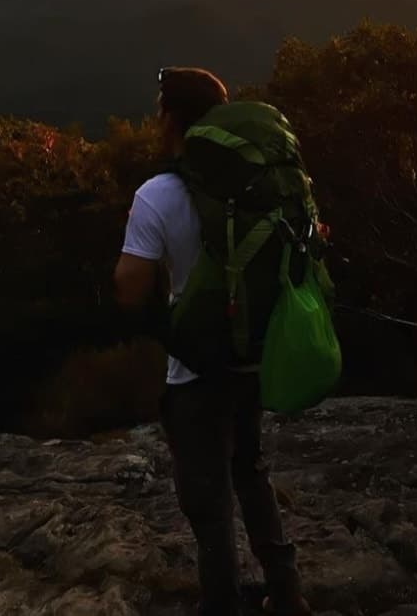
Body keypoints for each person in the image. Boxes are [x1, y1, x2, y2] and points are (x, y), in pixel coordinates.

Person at [114, 67, 311, 616]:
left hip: (196, 370)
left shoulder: (158, 193)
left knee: (207, 497)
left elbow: (129, 288)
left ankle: (220, 602)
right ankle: (286, 591)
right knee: (251, 470)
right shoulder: (259, 186)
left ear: (170, 118)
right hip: (252, 357)